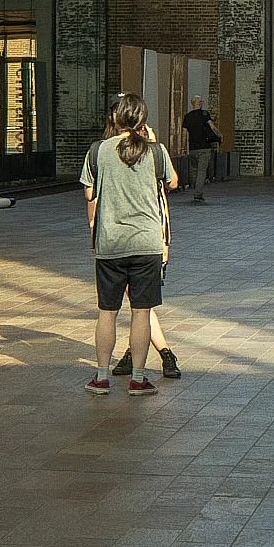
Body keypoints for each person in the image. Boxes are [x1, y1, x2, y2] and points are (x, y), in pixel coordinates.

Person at [80, 93, 175, 395]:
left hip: (110, 243)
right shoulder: (156, 152)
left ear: (115, 118)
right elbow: (172, 183)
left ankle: (101, 376)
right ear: (143, 120)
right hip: (147, 244)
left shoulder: (98, 151)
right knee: (141, 312)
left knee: (107, 311)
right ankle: (137, 377)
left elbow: (89, 194)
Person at [180, 102, 220, 205]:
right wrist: (219, 135)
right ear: (200, 104)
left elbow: (184, 133)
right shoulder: (205, 114)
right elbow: (212, 127)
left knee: (194, 169)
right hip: (204, 147)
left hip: (193, 148)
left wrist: (184, 147)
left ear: (192, 104)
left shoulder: (187, 116)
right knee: (201, 171)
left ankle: (195, 186)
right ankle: (197, 193)